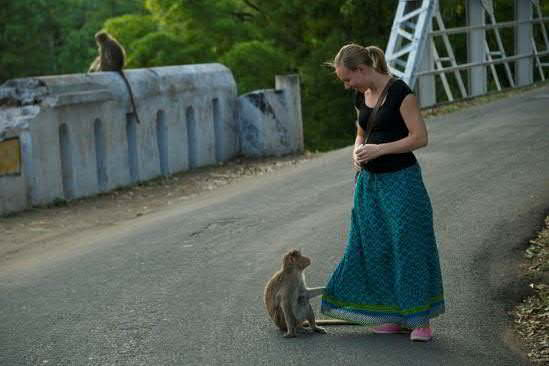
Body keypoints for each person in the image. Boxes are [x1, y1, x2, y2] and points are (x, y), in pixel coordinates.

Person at [320, 44, 445, 342]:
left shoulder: (402, 93)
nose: (346, 85)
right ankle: (390, 314)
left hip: (402, 181)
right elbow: (362, 132)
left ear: (362, 70)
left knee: (409, 246)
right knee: (374, 247)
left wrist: (380, 149)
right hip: (369, 184)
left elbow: (420, 138)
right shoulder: (359, 95)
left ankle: (419, 320)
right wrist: (356, 152)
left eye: (347, 78)